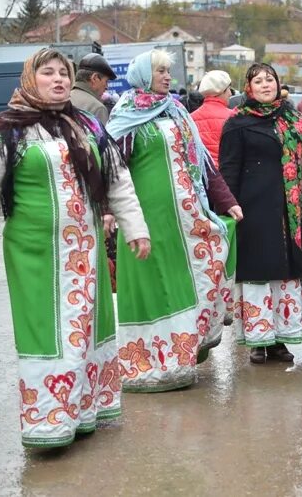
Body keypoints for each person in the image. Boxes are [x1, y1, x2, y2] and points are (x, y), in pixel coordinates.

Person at [0, 48, 151, 447]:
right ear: (29, 79)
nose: (57, 80)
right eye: (47, 73)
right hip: (35, 253)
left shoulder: (86, 124)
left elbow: (117, 179)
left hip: (84, 249)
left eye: (62, 73)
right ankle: (49, 424)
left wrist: (135, 229)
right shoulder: (8, 129)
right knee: (49, 331)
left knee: (85, 328)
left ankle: (84, 411)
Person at [106, 49, 242, 392]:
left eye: (169, 71)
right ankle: (146, 366)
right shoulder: (124, 117)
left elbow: (203, 165)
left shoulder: (178, 111)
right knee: (155, 288)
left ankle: (180, 358)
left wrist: (227, 201)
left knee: (193, 274)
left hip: (186, 218)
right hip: (145, 220)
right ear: (141, 75)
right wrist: (108, 211)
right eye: (160, 71)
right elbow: (110, 172)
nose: (168, 76)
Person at [219, 63, 302, 364]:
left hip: (289, 213)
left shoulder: (295, 122)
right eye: (258, 81)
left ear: (278, 84)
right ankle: (258, 339)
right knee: (257, 273)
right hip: (251, 212)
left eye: (270, 80)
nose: (266, 85)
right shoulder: (238, 123)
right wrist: (227, 207)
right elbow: (227, 170)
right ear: (248, 88)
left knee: (285, 271)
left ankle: (278, 340)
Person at [192, 70, 234, 165]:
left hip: (202, 174)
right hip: (226, 173)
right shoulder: (233, 117)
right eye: (228, 89)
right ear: (222, 91)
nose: (230, 93)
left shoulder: (191, 118)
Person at [70, 53, 117, 124]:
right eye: (106, 81)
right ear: (95, 78)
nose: (107, 87)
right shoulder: (97, 108)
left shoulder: (62, 100)